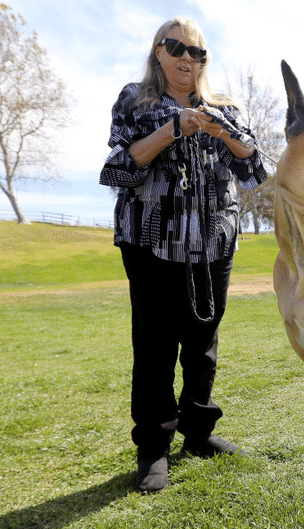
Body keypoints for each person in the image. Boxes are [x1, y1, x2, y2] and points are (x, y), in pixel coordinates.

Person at [99, 17, 268, 492]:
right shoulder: (135, 100)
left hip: (213, 242)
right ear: (159, 51)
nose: (187, 59)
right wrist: (172, 130)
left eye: (197, 52)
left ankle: (197, 433)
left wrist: (223, 133)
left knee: (202, 342)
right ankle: (153, 448)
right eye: (176, 48)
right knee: (154, 346)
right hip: (150, 242)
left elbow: (255, 172)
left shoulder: (225, 107)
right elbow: (117, 170)